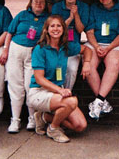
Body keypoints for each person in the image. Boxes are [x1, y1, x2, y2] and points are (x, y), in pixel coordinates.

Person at [28, 15, 92, 143]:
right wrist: (60, 90)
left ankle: (44, 117)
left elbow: (87, 50)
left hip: (57, 93)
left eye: (59, 26)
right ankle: (53, 128)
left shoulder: (65, 46)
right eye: (52, 26)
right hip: (39, 91)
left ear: (63, 29)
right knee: (71, 102)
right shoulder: (40, 49)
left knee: (80, 126)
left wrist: (87, 63)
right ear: (46, 29)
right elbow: (39, 79)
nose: (55, 29)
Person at [0, 0, 49, 133]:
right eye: (36, 1)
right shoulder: (22, 15)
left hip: (33, 54)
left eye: (41, 2)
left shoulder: (47, 19)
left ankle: (32, 118)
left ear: (45, 5)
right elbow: (10, 33)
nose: (38, 4)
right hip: (15, 50)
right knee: (15, 86)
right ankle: (15, 120)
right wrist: (5, 50)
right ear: (31, 3)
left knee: (30, 86)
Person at [85, 0, 119, 120]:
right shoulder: (93, 8)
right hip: (95, 43)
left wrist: (108, 48)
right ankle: (102, 102)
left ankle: (98, 100)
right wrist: (97, 46)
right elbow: (90, 31)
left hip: (115, 45)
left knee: (114, 62)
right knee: (89, 65)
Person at [51, 0, 89, 90]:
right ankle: (57, 94)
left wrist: (76, 14)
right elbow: (55, 29)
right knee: (57, 68)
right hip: (57, 44)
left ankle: (67, 93)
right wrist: (69, 19)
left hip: (73, 45)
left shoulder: (83, 7)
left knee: (72, 69)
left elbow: (80, 29)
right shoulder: (57, 7)